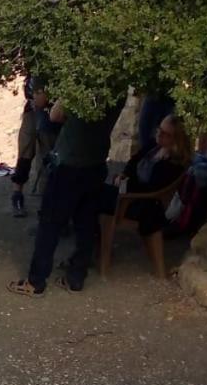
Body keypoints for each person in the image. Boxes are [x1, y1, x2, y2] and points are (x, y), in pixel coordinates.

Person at [9, 97, 126, 297]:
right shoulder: (117, 90)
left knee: (50, 223)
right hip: (96, 161)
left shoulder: (83, 85)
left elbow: (55, 115)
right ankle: (75, 279)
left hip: (70, 163)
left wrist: (65, 94)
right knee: (86, 223)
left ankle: (36, 281)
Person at [102, 114, 192, 239]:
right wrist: (124, 175)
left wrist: (127, 186)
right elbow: (134, 161)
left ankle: (97, 243)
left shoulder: (173, 164)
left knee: (96, 196)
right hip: (130, 192)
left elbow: (152, 188)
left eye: (166, 134)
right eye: (159, 129)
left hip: (143, 203)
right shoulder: (154, 146)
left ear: (176, 140)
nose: (159, 134)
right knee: (93, 188)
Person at [10, 79, 55, 216]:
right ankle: (17, 196)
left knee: (50, 157)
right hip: (33, 113)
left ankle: (49, 201)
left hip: (49, 115)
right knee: (25, 155)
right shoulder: (35, 72)